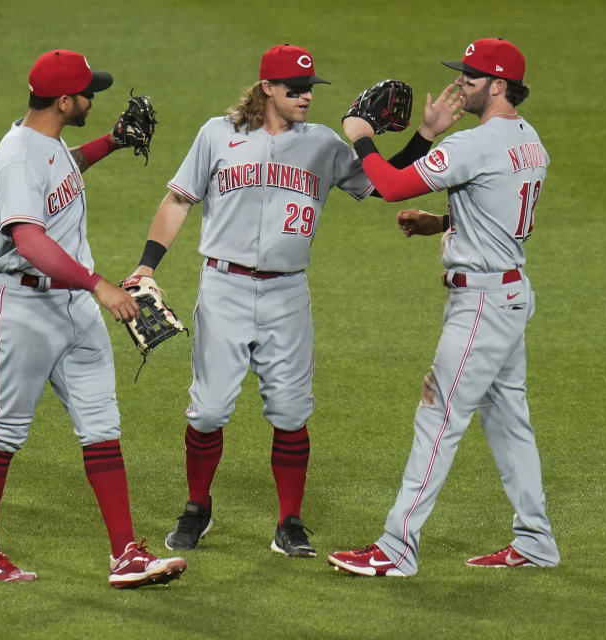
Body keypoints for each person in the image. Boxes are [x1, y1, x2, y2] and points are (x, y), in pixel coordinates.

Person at [129, 44, 460, 558]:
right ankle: (197, 508)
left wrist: (427, 135)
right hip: (224, 288)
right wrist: (147, 264)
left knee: (289, 411)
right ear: (266, 89)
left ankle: (289, 522)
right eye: (294, 89)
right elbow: (179, 199)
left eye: (310, 88)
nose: (305, 96)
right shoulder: (218, 134)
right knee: (209, 410)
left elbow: (380, 183)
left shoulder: (323, 144)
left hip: (287, 292)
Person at [327, 38, 560, 576]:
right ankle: (535, 541)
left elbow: (388, 186)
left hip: (480, 303)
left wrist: (360, 135)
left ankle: (396, 549)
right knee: (509, 423)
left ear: (499, 86)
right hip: (508, 291)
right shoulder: (529, 140)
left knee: (438, 417)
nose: (461, 83)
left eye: (472, 77)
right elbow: (499, 211)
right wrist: (440, 223)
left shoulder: (474, 145)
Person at [0, 49, 186, 588]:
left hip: (72, 309)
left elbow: (63, 173)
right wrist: (98, 284)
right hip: (24, 309)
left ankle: (125, 554)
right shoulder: (17, 155)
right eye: (88, 93)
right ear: (63, 101)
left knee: (102, 428)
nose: (93, 97)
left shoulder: (48, 141)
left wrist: (110, 141)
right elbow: (28, 237)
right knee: (4, 431)